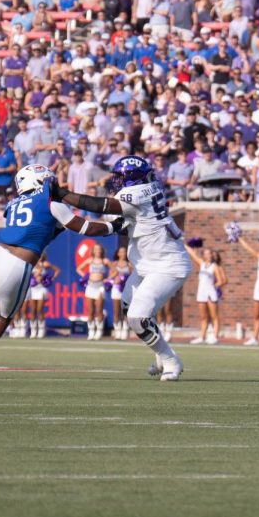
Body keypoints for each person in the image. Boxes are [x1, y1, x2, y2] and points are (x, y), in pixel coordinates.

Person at [0, 163, 121, 379]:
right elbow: (86, 228)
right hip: (16, 263)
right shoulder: (52, 204)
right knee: (4, 318)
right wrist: (116, 226)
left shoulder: (13, 203)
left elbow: (36, 230)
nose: (53, 185)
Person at [52, 156, 192, 381]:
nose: (115, 181)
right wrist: (68, 220)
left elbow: (100, 205)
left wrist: (63, 194)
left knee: (138, 318)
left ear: (132, 179)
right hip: (149, 265)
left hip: (167, 266)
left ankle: (170, 359)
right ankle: (161, 354)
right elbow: (103, 228)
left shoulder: (137, 194)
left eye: (120, 177)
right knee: (129, 309)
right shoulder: (144, 195)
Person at [186, 244, 225, 345]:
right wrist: (182, 241)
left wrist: (212, 287)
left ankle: (215, 337)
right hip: (201, 293)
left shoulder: (215, 266)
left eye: (210, 254)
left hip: (210, 293)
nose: (209, 255)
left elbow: (220, 281)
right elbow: (192, 254)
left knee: (214, 316)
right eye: (207, 254)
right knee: (203, 317)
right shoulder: (202, 263)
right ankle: (202, 337)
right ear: (204, 255)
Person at [82, 242, 109, 340]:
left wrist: (108, 278)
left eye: (99, 249)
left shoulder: (104, 261)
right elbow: (79, 269)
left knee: (99, 310)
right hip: (90, 286)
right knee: (90, 311)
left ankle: (99, 331)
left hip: (100, 287)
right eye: (95, 249)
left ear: (101, 251)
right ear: (93, 251)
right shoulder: (90, 260)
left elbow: (114, 269)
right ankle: (91, 331)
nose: (97, 251)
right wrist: (85, 277)